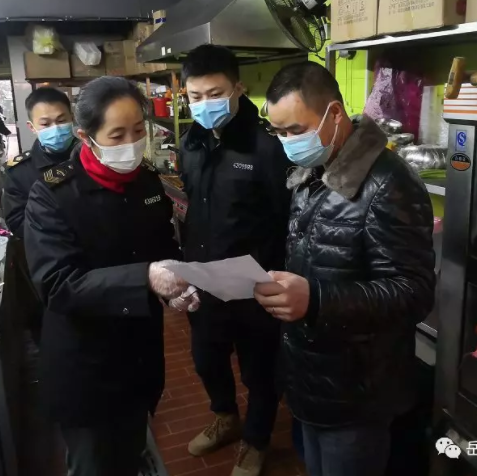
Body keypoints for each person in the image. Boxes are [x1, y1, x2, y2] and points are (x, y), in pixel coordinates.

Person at [254, 62, 436, 476]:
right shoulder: (311, 173)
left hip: (358, 392)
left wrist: (316, 299)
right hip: (311, 377)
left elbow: (413, 292)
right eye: (278, 132)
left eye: (296, 130)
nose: (288, 143)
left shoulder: (389, 183)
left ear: (334, 114)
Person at [24, 77, 190, 476]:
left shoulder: (146, 182)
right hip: (86, 368)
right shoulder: (52, 195)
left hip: (139, 357)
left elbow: (161, 246)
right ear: (86, 136)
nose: (131, 144)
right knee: (95, 464)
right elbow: (58, 284)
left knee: (131, 452)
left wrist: (177, 284)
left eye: (138, 131)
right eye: (117, 135)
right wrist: (146, 278)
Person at [179, 45, 292, 476]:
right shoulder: (191, 143)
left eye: (215, 93)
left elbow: (285, 218)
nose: (205, 104)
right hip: (204, 278)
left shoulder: (267, 147)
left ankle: (256, 439)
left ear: (238, 88)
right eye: (196, 96)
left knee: (259, 370)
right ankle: (225, 417)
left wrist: (274, 275)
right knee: (207, 359)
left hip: (253, 282)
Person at [3, 87, 77, 238]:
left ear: (72, 118)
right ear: (32, 127)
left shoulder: (94, 156)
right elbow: (18, 222)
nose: (55, 128)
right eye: (45, 124)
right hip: (49, 247)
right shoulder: (19, 172)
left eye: (61, 121)